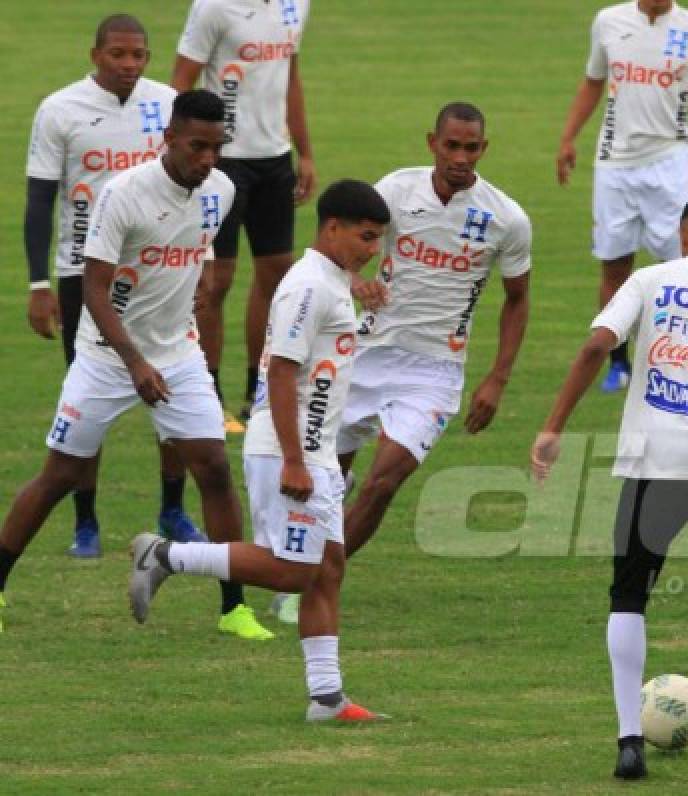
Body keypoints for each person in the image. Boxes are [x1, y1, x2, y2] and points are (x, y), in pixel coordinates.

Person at [531, 196, 688, 784]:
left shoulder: (649, 280)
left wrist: (553, 427)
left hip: (656, 464)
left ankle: (629, 743)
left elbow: (598, 345)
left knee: (629, 596)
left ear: (681, 237)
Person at [0, 90, 272, 641]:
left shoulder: (218, 189)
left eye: (216, 148)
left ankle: (233, 608)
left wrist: (197, 282)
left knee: (215, 470)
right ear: (168, 139)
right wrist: (134, 363)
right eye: (197, 146)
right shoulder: (122, 195)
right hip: (105, 356)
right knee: (61, 475)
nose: (208, 159)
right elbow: (94, 291)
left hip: (178, 353)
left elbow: (191, 246)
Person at [129, 179, 391, 722]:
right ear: (333, 227)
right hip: (288, 450)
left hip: (313, 450)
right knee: (296, 571)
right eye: (366, 237)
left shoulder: (334, 281)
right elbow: (282, 370)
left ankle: (326, 698)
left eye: (378, 240)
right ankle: (165, 555)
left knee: (329, 567)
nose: (373, 249)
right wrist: (295, 459)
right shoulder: (307, 287)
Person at [288, 102, 529, 606]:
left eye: (471, 148)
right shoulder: (396, 190)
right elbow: (340, 251)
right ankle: (303, 555)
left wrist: (497, 379)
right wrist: (357, 282)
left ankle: (316, 584)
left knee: (381, 483)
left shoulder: (506, 219)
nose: (460, 157)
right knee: (326, 475)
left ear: (484, 149)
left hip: (435, 372)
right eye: (451, 145)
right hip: (366, 353)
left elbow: (517, 300)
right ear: (432, 143)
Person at [23, 13, 206, 558]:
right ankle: (85, 521)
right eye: (118, 54)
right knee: (88, 400)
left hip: (159, 270)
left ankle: (172, 508)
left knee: (172, 389)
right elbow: (39, 200)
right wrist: (39, 282)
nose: (129, 65)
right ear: (95, 54)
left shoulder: (167, 103)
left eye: (138, 55)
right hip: (87, 274)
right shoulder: (60, 110)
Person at [556, 0, 688, 393]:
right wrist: (568, 138)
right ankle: (618, 364)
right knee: (615, 265)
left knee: (682, 264)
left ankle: (678, 356)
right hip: (615, 161)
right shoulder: (609, 22)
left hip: (670, 160)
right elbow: (593, 82)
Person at [172, 0, 316, 430]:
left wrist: (304, 152)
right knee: (215, 281)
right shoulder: (214, 7)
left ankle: (259, 392)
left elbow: (289, 75)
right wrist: (186, 156)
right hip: (223, 161)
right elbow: (180, 82)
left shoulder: (297, 5)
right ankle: (207, 395)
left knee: (276, 275)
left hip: (274, 159)